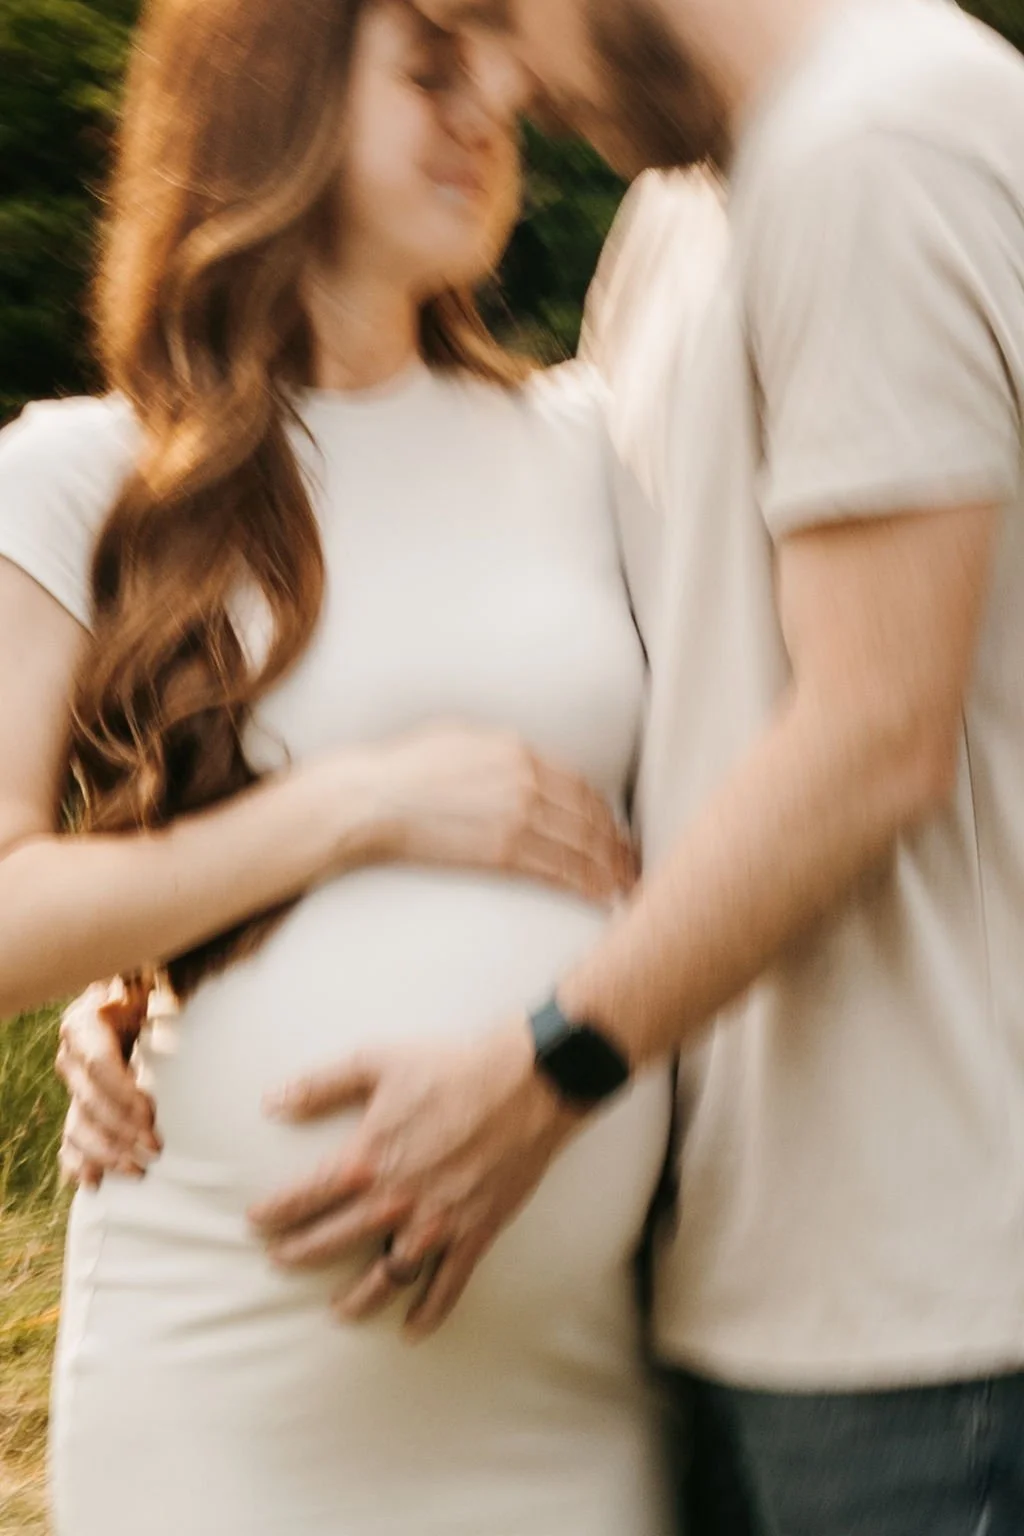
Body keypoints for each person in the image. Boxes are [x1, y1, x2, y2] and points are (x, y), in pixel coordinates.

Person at [73, 0, 1018, 1530]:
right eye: (440, 50)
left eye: (497, 24)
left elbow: (874, 733)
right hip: (715, 1288)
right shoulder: (674, 223)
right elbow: (639, 710)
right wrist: (175, 970)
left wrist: (544, 1072)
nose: (503, 97)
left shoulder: (883, 143)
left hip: (933, 1308)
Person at [0, 1, 683, 1532]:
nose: (489, 112)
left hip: (573, 1402)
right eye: (431, 72)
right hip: (221, 1385)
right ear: (276, 95)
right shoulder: (78, 477)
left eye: (497, 76)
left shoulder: (594, 446)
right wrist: (352, 810)